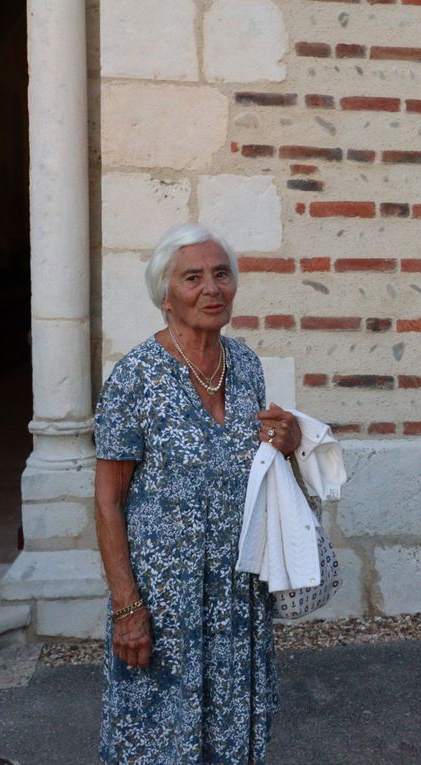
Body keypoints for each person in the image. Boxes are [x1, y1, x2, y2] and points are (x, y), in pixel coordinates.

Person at [93, 223, 301, 764]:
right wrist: (126, 606)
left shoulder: (247, 365)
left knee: (232, 727)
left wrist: (290, 440)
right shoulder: (135, 376)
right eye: (193, 277)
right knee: (157, 731)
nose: (212, 288)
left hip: (237, 593)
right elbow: (108, 499)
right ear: (165, 295)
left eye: (221, 274)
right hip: (163, 599)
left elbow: (262, 465)